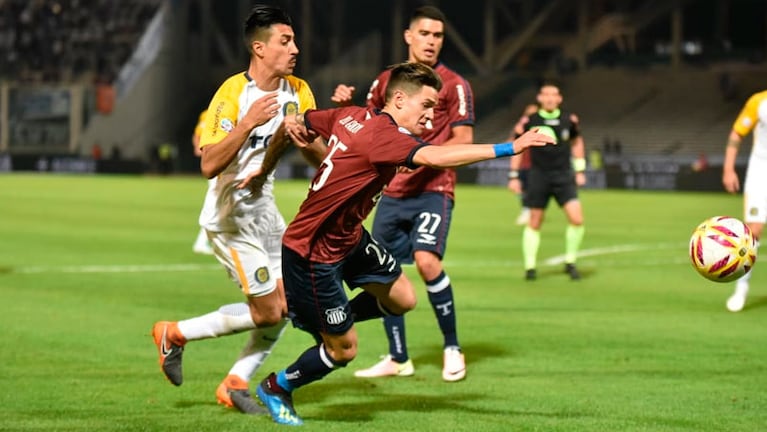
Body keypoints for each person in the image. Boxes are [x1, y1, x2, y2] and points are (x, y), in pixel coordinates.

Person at [251, 62, 554, 426]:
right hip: (313, 253)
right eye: (426, 106)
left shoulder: (352, 116)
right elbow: (436, 156)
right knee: (343, 350)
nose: (430, 116)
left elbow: (311, 119)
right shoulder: (385, 137)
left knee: (403, 299)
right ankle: (277, 386)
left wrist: (297, 122)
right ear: (398, 99)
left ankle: (332, 316)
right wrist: (511, 147)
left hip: (348, 238)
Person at [150, 4, 320, 415]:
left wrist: (304, 139)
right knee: (268, 312)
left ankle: (235, 383)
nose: (295, 48)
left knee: (287, 306)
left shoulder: (297, 90)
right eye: (285, 41)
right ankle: (173, 333)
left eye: (294, 40)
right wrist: (245, 125)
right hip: (231, 219)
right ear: (259, 48)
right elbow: (208, 164)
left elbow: (319, 156)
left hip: (266, 214)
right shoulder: (232, 94)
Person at [331, 5, 474, 382]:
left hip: (433, 187)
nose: (431, 41)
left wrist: (419, 154)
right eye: (425, 34)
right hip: (391, 192)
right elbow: (367, 128)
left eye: (438, 36)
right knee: (385, 274)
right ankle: (398, 358)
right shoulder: (386, 82)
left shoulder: (455, 85)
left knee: (427, 261)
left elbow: (464, 138)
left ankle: (452, 347)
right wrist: (346, 108)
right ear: (408, 37)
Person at [507, 80, 586, 281]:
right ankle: (530, 267)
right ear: (540, 98)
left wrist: (580, 169)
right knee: (535, 221)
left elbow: (577, 142)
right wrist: (513, 175)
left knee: (577, 219)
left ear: (559, 98)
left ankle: (570, 261)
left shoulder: (570, 119)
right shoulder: (530, 121)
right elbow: (516, 148)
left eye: (554, 95)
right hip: (538, 176)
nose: (550, 98)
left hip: (564, 176)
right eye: (546, 94)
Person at [721, 89, 767, 312]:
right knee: (753, 232)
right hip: (761, 173)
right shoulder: (759, 102)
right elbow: (737, 133)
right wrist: (729, 169)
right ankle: (741, 288)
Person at [507, 103, 538, 226]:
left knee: (531, 189)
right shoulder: (522, 125)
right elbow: (513, 139)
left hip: (534, 163)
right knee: (520, 189)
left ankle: (529, 211)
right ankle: (527, 209)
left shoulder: (538, 125)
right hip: (523, 163)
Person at [191, 109, 214, 255]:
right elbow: (198, 133)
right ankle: (201, 242)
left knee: (218, 203)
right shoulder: (208, 113)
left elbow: (197, 133)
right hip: (218, 162)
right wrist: (198, 147)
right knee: (215, 203)